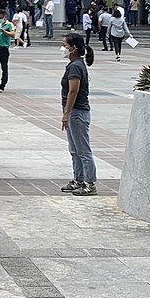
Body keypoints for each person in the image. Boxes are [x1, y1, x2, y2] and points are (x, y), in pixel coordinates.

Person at [61, 34, 98, 196]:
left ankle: (89, 183)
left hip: (77, 112)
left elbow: (73, 90)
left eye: (65, 45)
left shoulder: (76, 66)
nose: (63, 48)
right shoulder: (74, 64)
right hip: (74, 113)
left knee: (83, 150)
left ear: (73, 48)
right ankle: (78, 179)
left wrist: (66, 113)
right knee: (74, 149)